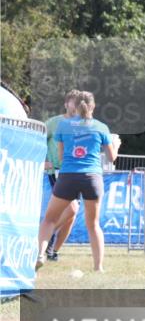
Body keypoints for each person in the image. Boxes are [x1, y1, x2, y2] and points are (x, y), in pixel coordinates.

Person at [36, 92, 120, 272]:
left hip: (67, 176)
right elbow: (112, 157)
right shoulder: (101, 127)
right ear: (93, 106)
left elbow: (60, 157)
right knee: (93, 224)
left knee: (49, 220)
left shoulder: (63, 125)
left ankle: (40, 254)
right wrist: (116, 145)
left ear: (74, 106)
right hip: (92, 177)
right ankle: (98, 267)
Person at [43, 90, 82, 262]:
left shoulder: (83, 124)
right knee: (72, 209)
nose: (76, 106)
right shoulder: (54, 122)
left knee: (71, 216)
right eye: (73, 102)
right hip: (58, 171)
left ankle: (53, 251)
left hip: (77, 172)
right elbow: (37, 139)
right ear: (66, 104)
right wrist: (44, 161)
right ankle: (44, 235)